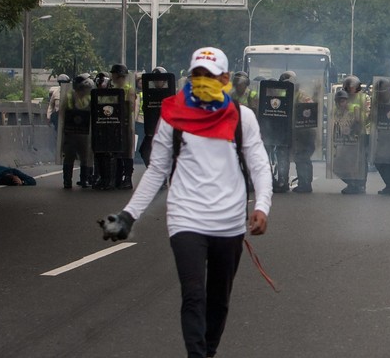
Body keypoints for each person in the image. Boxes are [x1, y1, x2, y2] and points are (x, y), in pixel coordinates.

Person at [98, 47, 272, 358]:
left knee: (219, 300)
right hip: (185, 217)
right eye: (197, 75)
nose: (202, 80)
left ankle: (207, 351)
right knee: (193, 295)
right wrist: (128, 215)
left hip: (229, 221)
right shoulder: (173, 116)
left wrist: (262, 207)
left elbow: (259, 164)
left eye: (210, 75)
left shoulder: (242, 118)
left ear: (226, 79)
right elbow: (157, 171)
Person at [60, 74, 95, 189]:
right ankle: (67, 181)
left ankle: (84, 179)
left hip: (85, 131)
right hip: (71, 130)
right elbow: (64, 112)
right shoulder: (70, 96)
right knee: (69, 155)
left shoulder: (89, 97)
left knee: (85, 155)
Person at [337, 75, 370, 194]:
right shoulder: (342, 97)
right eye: (348, 87)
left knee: (360, 161)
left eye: (352, 87)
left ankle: (360, 185)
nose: (350, 90)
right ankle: (351, 183)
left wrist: (354, 115)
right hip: (344, 133)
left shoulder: (364, 98)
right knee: (342, 160)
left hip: (361, 133)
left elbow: (367, 116)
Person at [109, 63, 136, 190]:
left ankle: (128, 178)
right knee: (116, 150)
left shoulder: (128, 89)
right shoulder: (112, 88)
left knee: (126, 152)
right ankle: (117, 178)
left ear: (118, 75)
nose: (112, 76)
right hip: (114, 123)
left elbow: (130, 107)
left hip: (125, 123)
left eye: (113, 74)